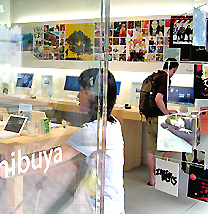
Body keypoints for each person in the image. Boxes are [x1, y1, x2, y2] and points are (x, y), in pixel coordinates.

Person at [7, 68, 124, 214]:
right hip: (115, 206)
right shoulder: (113, 124)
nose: (78, 95)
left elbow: (50, 160)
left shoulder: (91, 131)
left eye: (81, 91)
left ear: (93, 96)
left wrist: (9, 169)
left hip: (101, 208)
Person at [145, 58, 179, 186]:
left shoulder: (154, 76)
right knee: (175, 144)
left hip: (149, 118)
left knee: (150, 150)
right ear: (174, 69)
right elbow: (159, 99)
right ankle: (161, 169)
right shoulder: (165, 78)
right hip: (159, 119)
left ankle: (152, 179)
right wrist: (166, 113)